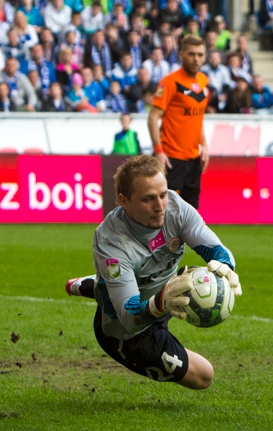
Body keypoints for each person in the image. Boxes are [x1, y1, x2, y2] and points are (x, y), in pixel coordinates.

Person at [64, 155, 241, 389]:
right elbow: (128, 319)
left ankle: (96, 283)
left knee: (125, 281)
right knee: (204, 377)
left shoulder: (176, 208)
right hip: (127, 334)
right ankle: (102, 286)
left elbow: (216, 249)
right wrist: (160, 303)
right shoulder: (111, 243)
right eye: (148, 199)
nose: (160, 207)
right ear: (123, 200)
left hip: (165, 291)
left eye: (163, 195)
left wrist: (226, 265)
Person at [148, 35, 210, 209]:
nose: (196, 59)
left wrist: (204, 146)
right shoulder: (170, 82)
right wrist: (158, 151)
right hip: (171, 158)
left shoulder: (203, 80)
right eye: (191, 54)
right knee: (164, 215)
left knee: (191, 217)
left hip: (193, 160)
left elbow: (197, 117)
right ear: (181, 55)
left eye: (200, 54)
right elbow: (153, 117)